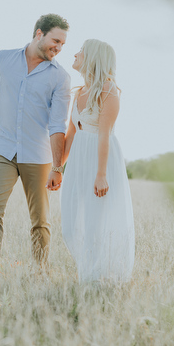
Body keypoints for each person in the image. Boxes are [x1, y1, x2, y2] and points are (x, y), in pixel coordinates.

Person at [0, 14, 71, 283]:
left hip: (37, 155)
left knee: (40, 219)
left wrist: (58, 167)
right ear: (39, 34)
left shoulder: (60, 77)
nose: (58, 47)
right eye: (55, 40)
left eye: (62, 44)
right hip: (2, 148)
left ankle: (40, 273)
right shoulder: (4, 59)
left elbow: (58, 125)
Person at [60, 39, 135, 283]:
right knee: (71, 225)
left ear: (92, 58)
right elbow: (70, 134)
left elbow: (104, 135)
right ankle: (90, 272)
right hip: (78, 160)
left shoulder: (109, 91)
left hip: (100, 160)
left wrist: (101, 174)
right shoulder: (79, 93)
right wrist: (57, 168)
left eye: (80, 51)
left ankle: (93, 280)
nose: (75, 54)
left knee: (94, 224)